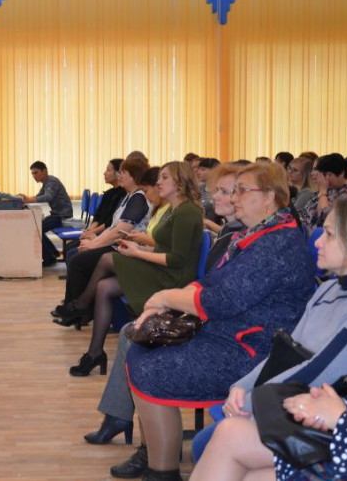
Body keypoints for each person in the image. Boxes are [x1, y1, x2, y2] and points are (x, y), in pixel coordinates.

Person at [114, 162, 314, 481]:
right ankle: (158, 465)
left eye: (241, 191)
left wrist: (164, 298)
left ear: (270, 197)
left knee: (149, 364)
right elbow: (213, 283)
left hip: (254, 351)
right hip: (233, 335)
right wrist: (170, 298)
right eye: (233, 191)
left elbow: (221, 300)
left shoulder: (277, 243)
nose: (233, 197)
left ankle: (162, 472)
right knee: (141, 350)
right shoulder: (260, 234)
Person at [191, 203, 347, 481]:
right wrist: (241, 387)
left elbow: (319, 371)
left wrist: (256, 404)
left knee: (226, 437)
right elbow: (287, 351)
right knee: (233, 451)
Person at [82, 163, 245, 448]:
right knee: (124, 318)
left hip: (192, 301)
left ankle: (130, 430)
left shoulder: (208, 223)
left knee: (129, 320)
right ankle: (118, 418)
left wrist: (144, 261)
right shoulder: (228, 232)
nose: (213, 197)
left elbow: (185, 266)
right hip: (198, 303)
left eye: (224, 191)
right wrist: (141, 251)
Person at [55, 162, 203, 378]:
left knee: (107, 258)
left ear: (180, 182)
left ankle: (80, 306)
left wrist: (137, 253)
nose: (158, 182)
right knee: (104, 287)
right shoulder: (174, 210)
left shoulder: (187, 213)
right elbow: (163, 247)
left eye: (164, 178)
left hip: (173, 277)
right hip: (162, 269)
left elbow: (177, 260)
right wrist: (138, 248)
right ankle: (94, 353)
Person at [53, 159, 151, 318]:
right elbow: (112, 227)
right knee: (78, 255)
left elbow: (120, 231)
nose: (119, 175)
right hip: (118, 244)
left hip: (125, 247)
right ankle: (75, 306)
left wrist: (93, 245)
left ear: (133, 176)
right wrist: (94, 241)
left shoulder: (138, 198)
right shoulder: (129, 196)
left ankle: (79, 310)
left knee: (79, 260)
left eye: (122, 172)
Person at [18, 161, 73, 267]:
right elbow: (38, 196)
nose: (34, 176)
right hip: (57, 215)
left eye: (36, 173)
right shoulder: (46, 182)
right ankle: (53, 253)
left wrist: (30, 199)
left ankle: (49, 258)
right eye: (32, 174)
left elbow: (48, 196)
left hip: (62, 216)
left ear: (44, 171)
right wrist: (25, 199)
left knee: (36, 229)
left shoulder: (51, 181)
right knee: (36, 228)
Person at [302, 153, 347, 233]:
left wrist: (323, 192)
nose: (326, 179)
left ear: (341, 173)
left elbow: (325, 218)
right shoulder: (332, 188)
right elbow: (315, 215)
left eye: (330, 175)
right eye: (324, 175)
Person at [76, 158, 126, 242]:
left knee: (75, 248)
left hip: (107, 235)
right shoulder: (108, 193)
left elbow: (111, 221)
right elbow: (98, 215)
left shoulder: (123, 194)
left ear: (118, 173)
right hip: (98, 233)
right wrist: (90, 230)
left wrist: (93, 232)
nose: (104, 173)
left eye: (108, 170)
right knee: (72, 245)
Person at [196, 158, 221, 223]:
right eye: (199, 169)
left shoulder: (222, 189)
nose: (198, 172)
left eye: (203, 169)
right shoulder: (198, 189)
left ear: (214, 170)